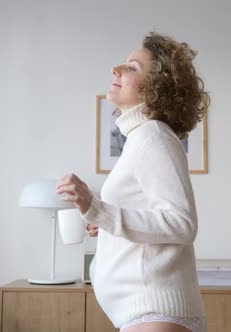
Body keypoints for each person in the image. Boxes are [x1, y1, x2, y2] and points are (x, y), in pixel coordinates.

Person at [56, 32, 210, 332]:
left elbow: (182, 224)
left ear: (158, 88)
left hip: (155, 313)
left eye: (133, 67)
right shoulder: (143, 138)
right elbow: (153, 222)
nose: (117, 69)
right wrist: (108, 227)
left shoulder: (153, 136)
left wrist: (98, 209)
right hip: (146, 313)